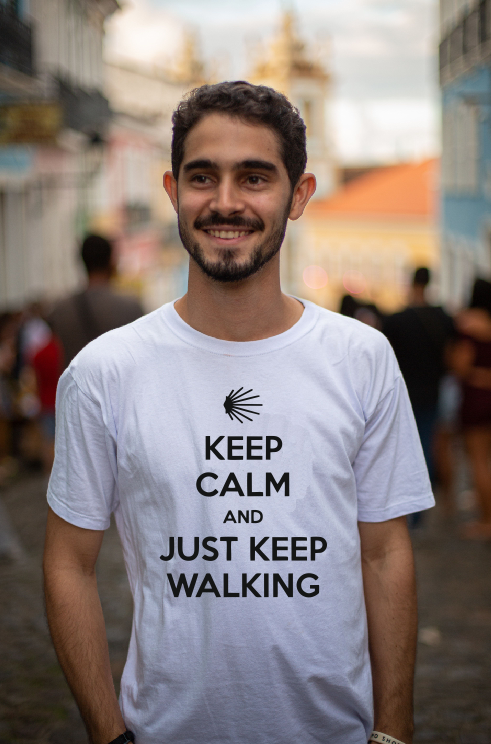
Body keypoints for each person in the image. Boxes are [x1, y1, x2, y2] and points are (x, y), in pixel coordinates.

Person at [43, 81, 434, 744]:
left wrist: (391, 732)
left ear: (299, 195)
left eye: (254, 177)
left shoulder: (360, 358)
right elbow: (68, 562)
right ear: (172, 191)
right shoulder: (106, 373)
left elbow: (384, 550)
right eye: (203, 177)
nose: (225, 203)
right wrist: (109, 734)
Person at [384, 268, 455, 516]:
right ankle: (425, 504)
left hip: (405, 389)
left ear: (411, 283)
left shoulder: (396, 320)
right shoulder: (443, 318)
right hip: (433, 388)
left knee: (403, 447)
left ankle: (412, 510)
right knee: (427, 443)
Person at [49, 234, 144, 369]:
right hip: (118, 388)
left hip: (77, 387)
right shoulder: (130, 307)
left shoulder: (61, 310)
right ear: (111, 261)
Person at [451, 278, 491, 539]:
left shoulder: (469, 325)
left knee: (478, 461)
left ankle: (486, 520)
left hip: (477, 399)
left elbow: (460, 367)